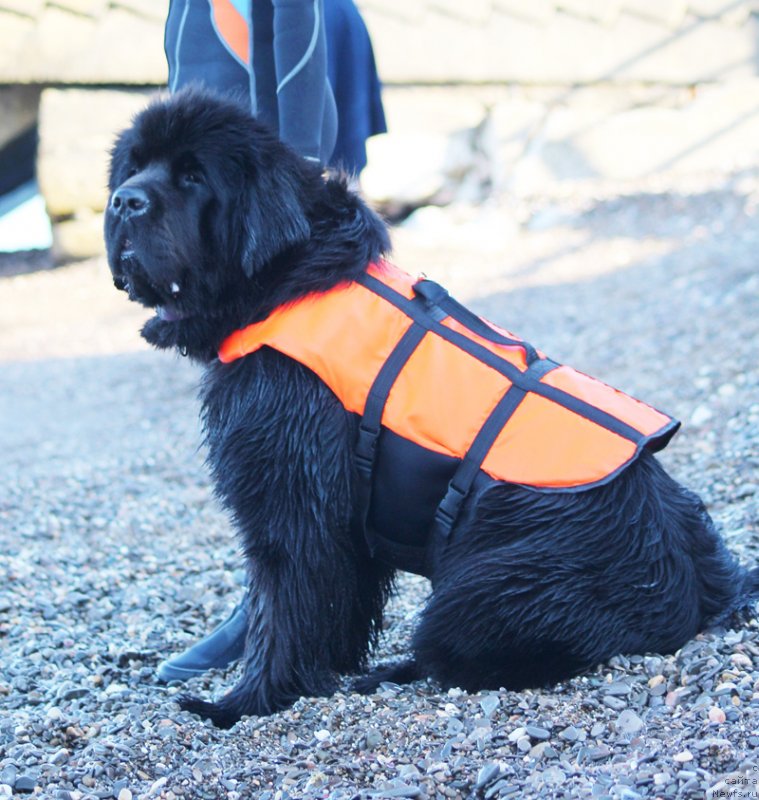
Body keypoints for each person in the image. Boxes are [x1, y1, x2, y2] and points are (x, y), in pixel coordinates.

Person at [158, 0, 386, 682]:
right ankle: (306, 585)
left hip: (281, 39)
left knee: (299, 321)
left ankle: (289, 595)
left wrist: (300, 164)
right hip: (234, 39)